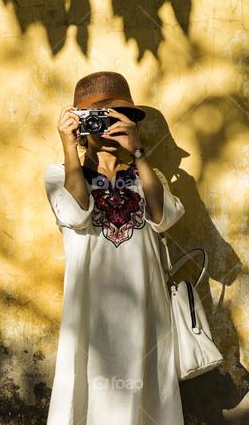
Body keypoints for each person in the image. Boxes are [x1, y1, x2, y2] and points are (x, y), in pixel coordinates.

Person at [45, 71, 185, 424]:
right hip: (92, 312)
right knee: (89, 395)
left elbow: (163, 216)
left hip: (146, 308)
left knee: (148, 398)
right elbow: (76, 213)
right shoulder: (59, 175)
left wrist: (137, 152)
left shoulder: (148, 176)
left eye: (116, 119)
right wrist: (67, 145)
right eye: (97, 119)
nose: (106, 129)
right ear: (79, 125)